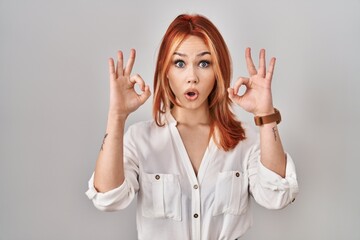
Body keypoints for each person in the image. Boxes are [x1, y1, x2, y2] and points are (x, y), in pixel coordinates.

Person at [86, 14, 299, 240]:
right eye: (180, 63)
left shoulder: (245, 140)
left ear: (218, 71)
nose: (192, 77)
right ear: (165, 70)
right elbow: (107, 198)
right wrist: (116, 116)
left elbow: (277, 196)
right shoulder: (140, 139)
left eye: (204, 63)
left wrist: (265, 114)